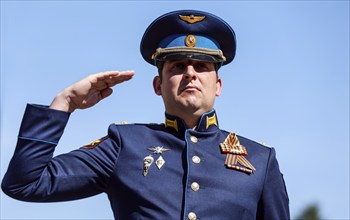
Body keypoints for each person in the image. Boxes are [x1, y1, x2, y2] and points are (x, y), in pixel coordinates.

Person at [1, 9, 289, 220]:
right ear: (158, 85)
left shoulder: (260, 160)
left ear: (219, 85)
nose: (190, 73)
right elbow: (24, 183)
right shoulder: (125, 145)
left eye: (201, 67)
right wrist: (63, 103)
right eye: (177, 66)